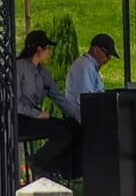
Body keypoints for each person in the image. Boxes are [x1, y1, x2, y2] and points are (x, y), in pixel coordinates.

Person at [12, 29, 78, 180]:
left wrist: (77, 115)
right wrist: (37, 114)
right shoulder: (19, 67)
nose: (50, 52)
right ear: (39, 49)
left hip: (35, 117)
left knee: (70, 129)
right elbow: (14, 102)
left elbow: (58, 96)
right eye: (48, 49)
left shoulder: (43, 72)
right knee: (62, 134)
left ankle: (55, 167)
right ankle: (39, 161)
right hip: (20, 118)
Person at [63, 32, 116, 123]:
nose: (109, 58)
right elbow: (86, 100)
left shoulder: (89, 66)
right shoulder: (84, 65)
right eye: (107, 54)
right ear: (96, 50)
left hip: (87, 120)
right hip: (82, 124)